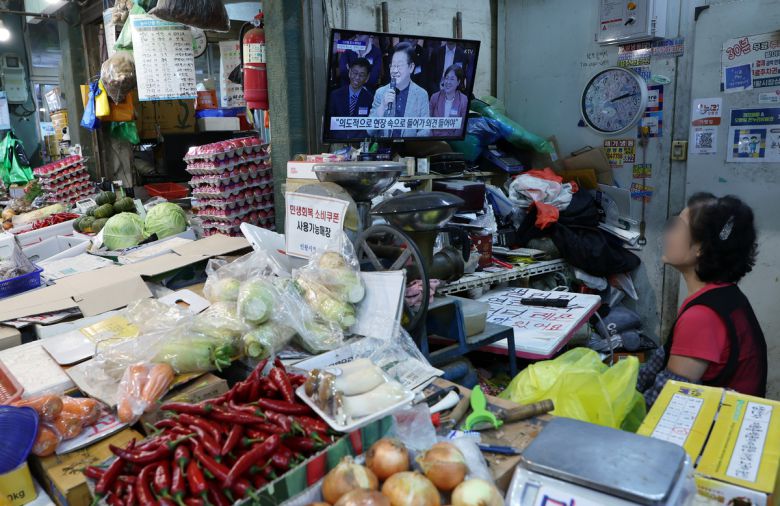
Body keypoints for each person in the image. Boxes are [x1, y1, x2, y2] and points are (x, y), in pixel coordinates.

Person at [638, 193, 767, 406]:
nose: (667, 234)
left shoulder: (702, 317)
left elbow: (663, 403)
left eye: (677, 226)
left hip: (716, 434)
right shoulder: (723, 294)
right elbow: (658, 364)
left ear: (701, 248)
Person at [368, 42, 431, 137]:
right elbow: (369, 131)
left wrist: (411, 143)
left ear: (411, 67)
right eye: (393, 66)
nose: (394, 70)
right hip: (385, 148)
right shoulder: (380, 93)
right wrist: (382, 107)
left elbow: (426, 130)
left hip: (410, 148)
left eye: (399, 66)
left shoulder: (421, 94)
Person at [328, 58, 374, 140]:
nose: (357, 77)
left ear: (367, 78)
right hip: (337, 142)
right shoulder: (335, 95)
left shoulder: (370, 99)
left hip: (360, 143)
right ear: (349, 73)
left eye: (362, 75)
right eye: (355, 73)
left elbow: (370, 126)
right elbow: (329, 122)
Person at [428, 64, 469, 137]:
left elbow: (461, 127)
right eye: (446, 78)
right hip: (434, 139)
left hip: (452, 141)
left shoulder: (464, 100)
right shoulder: (434, 97)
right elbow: (428, 122)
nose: (448, 82)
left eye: (452, 79)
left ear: (458, 82)